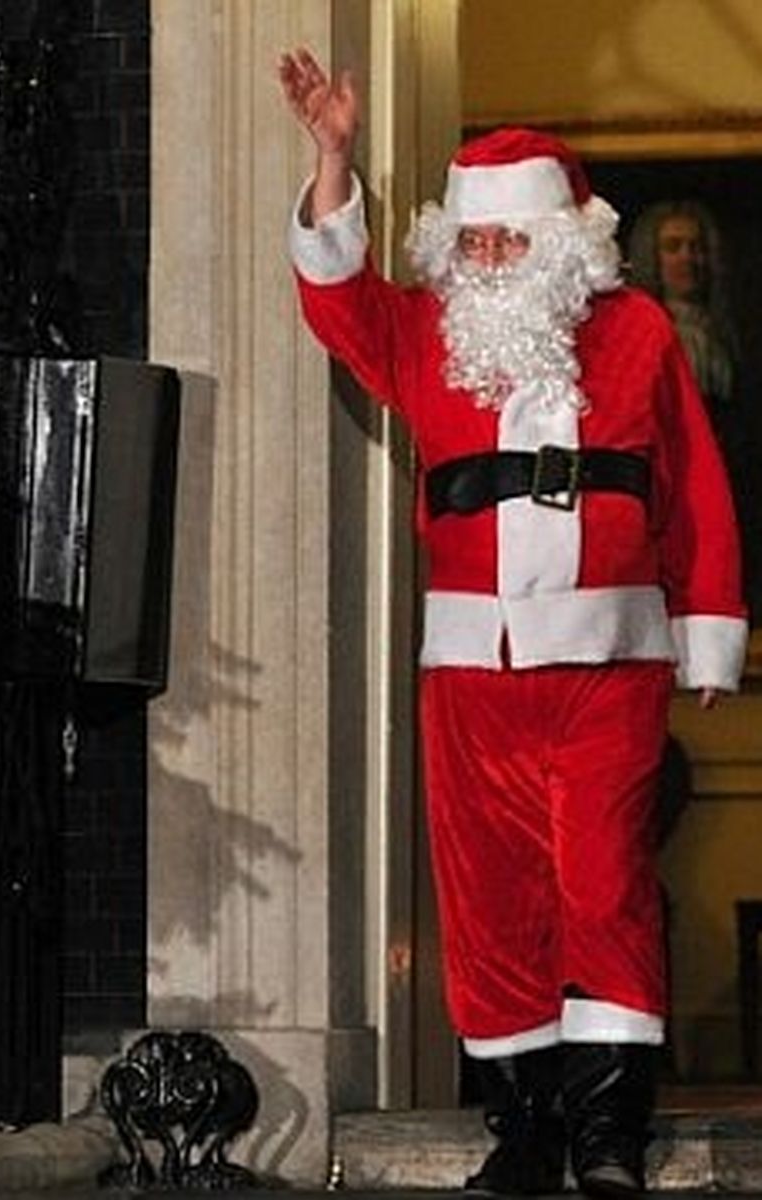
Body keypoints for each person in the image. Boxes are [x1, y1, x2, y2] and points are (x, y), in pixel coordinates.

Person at [278, 47, 747, 1200]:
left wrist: (710, 626)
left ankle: (607, 1131)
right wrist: (334, 158)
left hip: (607, 664)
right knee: (491, 902)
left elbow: (692, 484)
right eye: (472, 243)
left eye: (508, 241)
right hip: (470, 674)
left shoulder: (636, 333)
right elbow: (339, 299)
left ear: (561, 245)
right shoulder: (427, 334)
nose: (486, 260)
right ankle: (526, 1125)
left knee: (601, 884)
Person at [627, 200, 741, 469]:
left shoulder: (722, 331)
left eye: (696, 247)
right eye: (673, 247)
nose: (687, 257)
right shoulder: (641, 333)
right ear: (652, 257)